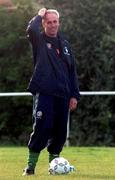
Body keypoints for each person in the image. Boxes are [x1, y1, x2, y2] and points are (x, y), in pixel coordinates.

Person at [23, 8, 80, 176]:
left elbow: (72, 72)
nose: (53, 25)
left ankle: (54, 166)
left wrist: (74, 95)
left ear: (59, 22)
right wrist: (40, 14)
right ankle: (30, 167)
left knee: (60, 131)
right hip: (44, 93)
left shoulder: (66, 45)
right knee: (42, 127)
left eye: (55, 21)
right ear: (44, 23)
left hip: (63, 95)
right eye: (49, 22)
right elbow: (31, 29)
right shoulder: (38, 40)